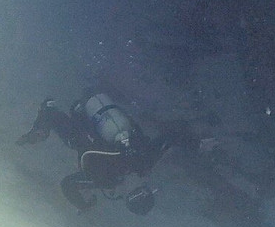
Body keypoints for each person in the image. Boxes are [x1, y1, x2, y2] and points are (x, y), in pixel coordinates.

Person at [18, 90, 168, 214]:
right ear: (127, 199)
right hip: (88, 133)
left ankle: (75, 112)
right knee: (74, 139)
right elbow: (68, 184)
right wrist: (83, 206)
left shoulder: (145, 161)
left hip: (101, 113)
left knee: (82, 135)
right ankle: (49, 112)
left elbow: (167, 139)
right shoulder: (108, 179)